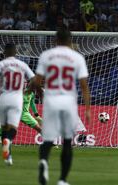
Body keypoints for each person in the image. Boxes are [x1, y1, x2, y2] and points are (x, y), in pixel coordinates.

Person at [35, 28, 91, 185]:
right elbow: (84, 86)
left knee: (47, 140)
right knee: (67, 142)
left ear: (56, 40)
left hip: (51, 100)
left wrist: (42, 94)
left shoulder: (46, 56)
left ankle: (44, 162)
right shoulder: (77, 57)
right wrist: (87, 110)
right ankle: (62, 180)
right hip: (68, 101)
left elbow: (36, 82)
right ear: (70, 41)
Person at [0, 43, 35, 165]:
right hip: (17, 99)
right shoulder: (22, 65)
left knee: (4, 128)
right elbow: (34, 80)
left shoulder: (0, 64)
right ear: (15, 53)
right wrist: (29, 91)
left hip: (3, 98)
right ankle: (8, 144)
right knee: (13, 128)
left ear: (4, 52)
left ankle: (8, 156)